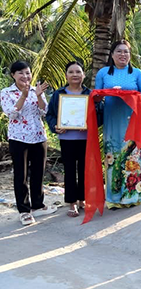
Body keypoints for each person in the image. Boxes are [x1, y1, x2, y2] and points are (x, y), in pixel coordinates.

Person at [95, 40, 141, 209]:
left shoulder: (137, 73)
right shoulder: (103, 73)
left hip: (131, 120)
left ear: (130, 55)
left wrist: (132, 96)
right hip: (112, 120)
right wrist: (105, 94)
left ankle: (134, 196)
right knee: (113, 157)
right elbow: (96, 96)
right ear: (112, 55)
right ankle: (114, 198)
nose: (123, 55)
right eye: (119, 51)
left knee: (133, 157)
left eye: (126, 52)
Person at [1, 61, 57, 225]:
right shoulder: (6, 92)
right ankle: (24, 210)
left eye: (27, 73)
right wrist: (23, 96)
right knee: (21, 175)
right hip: (18, 138)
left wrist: (38, 96)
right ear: (13, 75)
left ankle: (38, 205)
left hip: (38, 136)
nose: (25, 76)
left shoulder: (35, 90)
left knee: (38, 173)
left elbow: (45, 111)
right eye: (21, 73)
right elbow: (12, 114)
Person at [46, 62, 96, 217]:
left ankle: (82, 199)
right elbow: (50, 115)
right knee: (69, 170)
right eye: (71, 72)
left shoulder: (90, 94)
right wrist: (55, 126)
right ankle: (72, 202)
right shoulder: (58, 94)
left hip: (85, 138)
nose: (75, 75)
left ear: (83, 75)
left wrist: (89, 124)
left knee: (84, 170)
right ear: (66, 75)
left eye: (78, 72)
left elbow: (99, 113)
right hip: (67, 138)